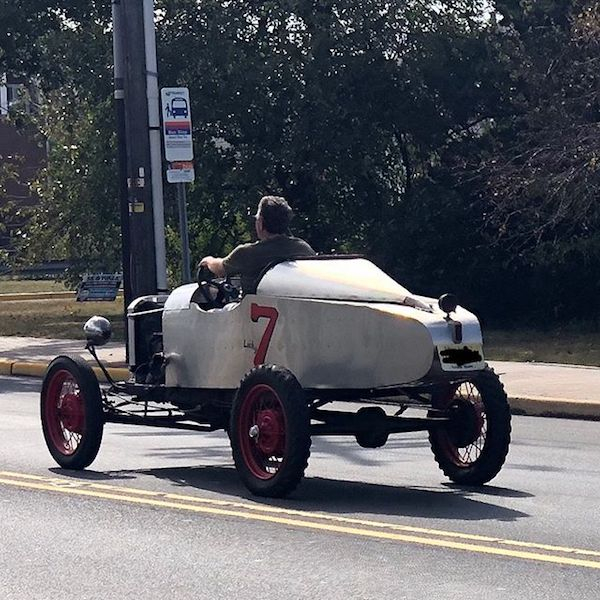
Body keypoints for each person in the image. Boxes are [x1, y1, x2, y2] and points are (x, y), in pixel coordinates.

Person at [199, 195, 315, 294]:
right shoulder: (303, 249)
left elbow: (220, 269)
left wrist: (209, 261)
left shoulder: (247, 253)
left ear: (260, 223)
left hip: (253, 313)